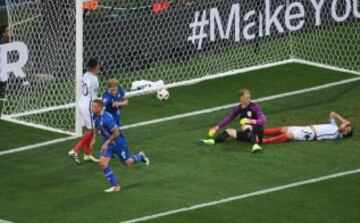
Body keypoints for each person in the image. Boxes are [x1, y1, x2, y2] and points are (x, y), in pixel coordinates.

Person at [91, 99, 150, 193]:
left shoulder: (107, 119)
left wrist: (106, 143)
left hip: (118, 143)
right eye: (92, 106)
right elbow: (96, 127)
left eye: (94, 107)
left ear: (100, 108)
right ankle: (115, 185)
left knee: (127, 163)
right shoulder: (95, 115)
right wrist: (94, 138)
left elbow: (117, 133)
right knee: (102, 162)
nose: (92, 108)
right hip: (108, 144)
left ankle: (140, 156)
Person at [198, 89, 267, 152]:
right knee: (228, 131)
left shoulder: (254, 107)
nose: (249, 99)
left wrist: (249, 121)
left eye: (249, 97)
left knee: (244, 127)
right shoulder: (238, 108)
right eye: (247, 98)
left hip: (258, 131)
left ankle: (255, 145)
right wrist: (216, 128)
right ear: (241, 98)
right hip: (248, 134)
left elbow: (263, 121)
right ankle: (213, 141)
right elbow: (229, 118)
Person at [68, 58, 100, 163]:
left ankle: (87, 154)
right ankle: (75, 150)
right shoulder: (95, 79)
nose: (99, 67)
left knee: (87, 129)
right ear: (95, 67)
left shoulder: (85, 75)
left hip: (81, 102)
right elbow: (94, 94)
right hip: (88, 105)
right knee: (92, 130)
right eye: (98, 65)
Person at [262, 111, 353, 144]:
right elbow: (332, 113)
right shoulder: (334, 125)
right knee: (281, 129)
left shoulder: (337, 134)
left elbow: (340, 128)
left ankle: (264, 141)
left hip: (310, 134)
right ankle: (259, 131)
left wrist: (346, 123)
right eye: (347, 127)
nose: (346, 127)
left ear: (344, 133)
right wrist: (342, 119)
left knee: (288, 135)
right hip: (307, 128)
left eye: (347, 129)